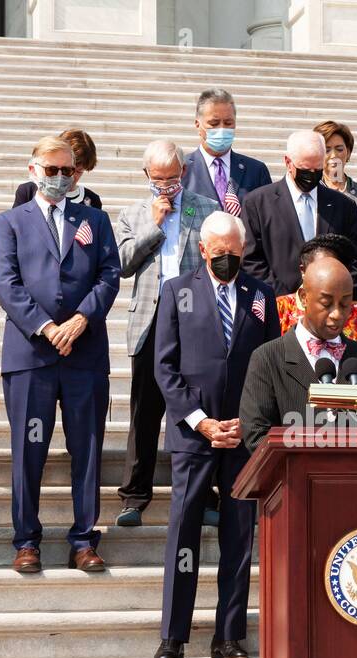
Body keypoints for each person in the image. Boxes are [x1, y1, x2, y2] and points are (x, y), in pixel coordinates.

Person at [154, 211, 280, 658]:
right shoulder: (177, 292)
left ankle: (229, 635)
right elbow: (164, 368)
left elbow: (270, 367)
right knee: (183, 531)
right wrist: (201, 421)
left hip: (243, 437)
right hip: (194, 435)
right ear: (204, 249)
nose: (227, 258)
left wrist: (248, 422)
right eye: (219, 252)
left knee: (239, 536)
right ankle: (173, 636)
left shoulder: (261, 295)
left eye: (235, 251)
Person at [0, 136, 120, 574]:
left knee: (87, 449)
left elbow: (109, 275)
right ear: (33, 170)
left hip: (84, 354)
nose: (61, 178)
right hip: (31, 355)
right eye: (52, 170)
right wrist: (47, 327)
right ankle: (27, 541)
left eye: (68, 170)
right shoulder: (10, 221)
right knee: (29, 450)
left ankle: (84, 539)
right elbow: (7, 284)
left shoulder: (96, 220)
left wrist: (81, 320)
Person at [114, 139, 220, 528]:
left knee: (197, 405)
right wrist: (154, 225)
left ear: (184, 174)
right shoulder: (132, 214)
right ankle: (134, 496)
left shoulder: (206, 209)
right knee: (144, 411)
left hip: (195, 320)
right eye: (158, 180)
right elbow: (123, 264)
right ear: (146, 177)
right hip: (150, 319)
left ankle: (204, 492)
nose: (165, 187)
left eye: (172, 179)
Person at [239, 256, 357, 452]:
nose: (337, 314)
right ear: (303, 297)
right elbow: (256, 436)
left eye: (345, 304)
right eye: (326, 303)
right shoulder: (267, 358)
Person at [241, 130, 357, 297]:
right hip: (278, 306)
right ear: (288, 162)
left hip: (329, 307)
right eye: (305, 170)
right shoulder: (257, 203)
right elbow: (251, 261)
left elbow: (355, 260)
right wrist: (287, 300)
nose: (311, 176)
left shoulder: (343, 206)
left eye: (318, 169)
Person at [275, 234, 357, 351]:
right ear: (303, 270)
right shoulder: (281, 307)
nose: (336, 314)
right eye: (326, 303)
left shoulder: (356, 310)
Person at [181, 88, 271, 214]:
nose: (222, 129)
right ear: (197, 124)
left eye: (228, 123)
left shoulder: (256, 171)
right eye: (214, 123)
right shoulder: (181, 170)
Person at [13, 128, 103, 209]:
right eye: (66, 170)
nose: (72, 176)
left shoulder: (91, 199)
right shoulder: (29, 191)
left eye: (79, 171)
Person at [314, 120, 357, 206]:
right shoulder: (311, 191)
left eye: (339, 149)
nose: (333, 155)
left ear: (348, 152)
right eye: (327, 150)